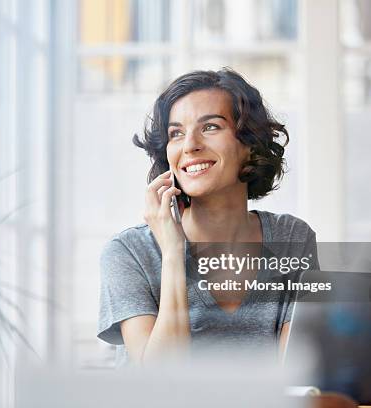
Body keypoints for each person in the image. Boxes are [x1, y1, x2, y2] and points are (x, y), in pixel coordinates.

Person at [97, 68, 319, 366]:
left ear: (250, 145)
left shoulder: (291, 239)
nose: (189, 145)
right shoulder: (129, 253)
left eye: (211, 127)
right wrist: (175, 254)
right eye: (176, 133)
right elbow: (157, 384)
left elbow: (295, 378)